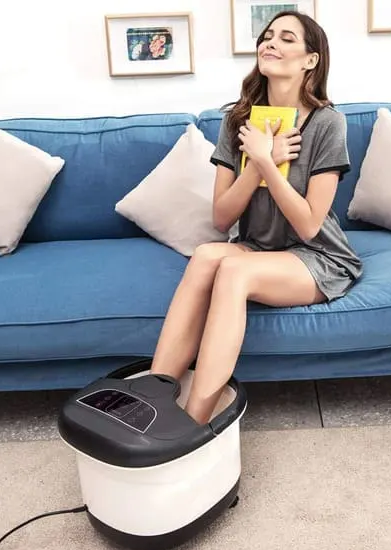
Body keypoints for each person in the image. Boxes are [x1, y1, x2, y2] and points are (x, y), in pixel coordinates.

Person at [150, 10, 363, 425]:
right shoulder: (238, 121)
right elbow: (220, 216)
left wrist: (267, 163)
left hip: (317, 255)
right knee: (209, 255)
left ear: (310, 60)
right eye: (267, 36)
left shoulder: (327, 123)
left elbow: (308, 225)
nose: (271, 43)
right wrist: (257, 163)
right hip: (260, 246)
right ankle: (156, 396)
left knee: (233, 270)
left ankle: (192, 426)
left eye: (286, 38)